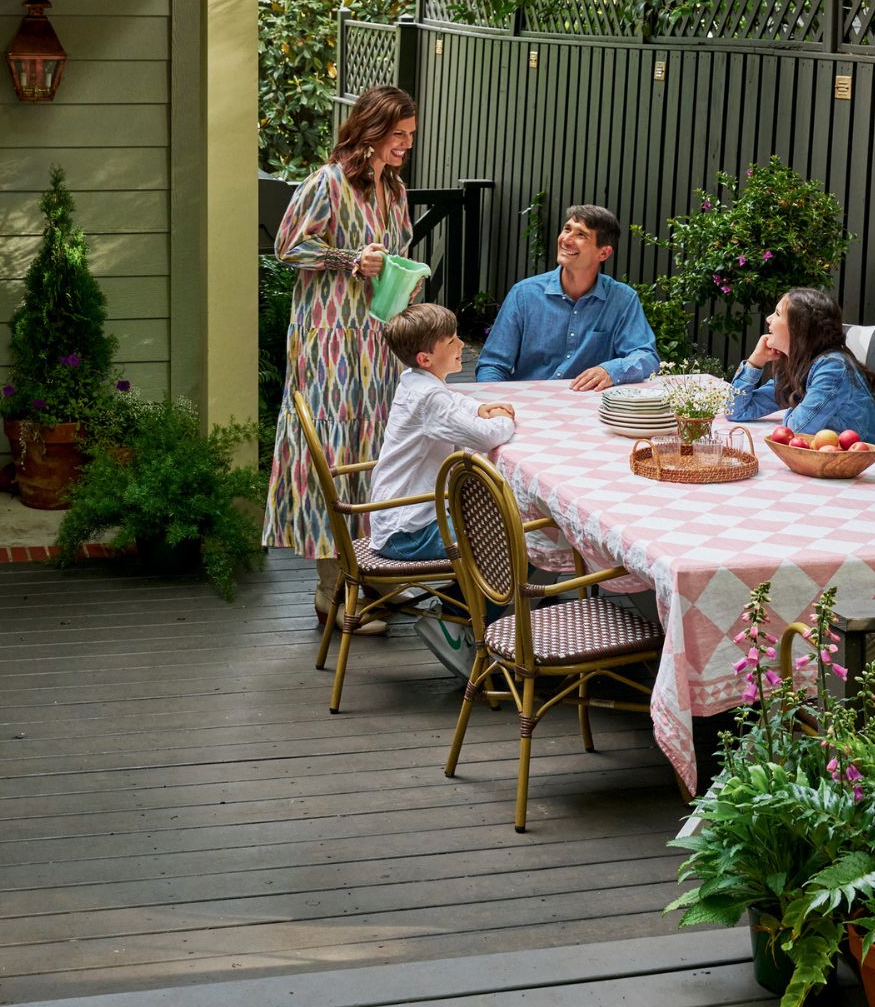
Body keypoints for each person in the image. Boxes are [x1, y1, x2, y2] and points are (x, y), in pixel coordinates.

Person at [267, 83, 424, 628]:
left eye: (409, 134)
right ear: (372, 131)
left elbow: (396, 254)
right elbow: (287, 246)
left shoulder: (396, 190)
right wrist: (349, 258)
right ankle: (331, 586)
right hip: (329, 338)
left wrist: (408, 282)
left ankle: (375, 573)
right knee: (333, 450)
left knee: (377, 447)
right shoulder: (327, 182)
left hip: (377, 340)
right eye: (398, 134)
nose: (406, 144)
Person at [364, 302, 517, 672]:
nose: (461, 343)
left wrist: (479, 407)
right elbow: (484, 438)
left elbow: (452, 403)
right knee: (513, 548)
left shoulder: (417, 382)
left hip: (400, 517)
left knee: (500, 532)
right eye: (452, 340)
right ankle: (458, 626)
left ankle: (457, 614)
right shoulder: (429, 396)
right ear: (426, 356)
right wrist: (502, 418)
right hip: (408, 532)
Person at [473, 205, 657, 392]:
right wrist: (496, 402)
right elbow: (492, 365)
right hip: (528, 404)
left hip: (590, 408)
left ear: (603, 253)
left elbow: (646, 356)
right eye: (567, 229)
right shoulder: (524, 294)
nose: (566, 240)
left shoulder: (622, 300)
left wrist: (611, 371)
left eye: (581, 235)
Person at [728, 287, 875, 451]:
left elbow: (795, 432)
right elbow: (735, 410)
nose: (769, 319)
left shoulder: (833, 368)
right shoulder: (799, 366)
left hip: (874, 468)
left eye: (777, 314)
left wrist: (792, 408)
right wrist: (755, 361)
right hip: (835, 466)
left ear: (799, 328)